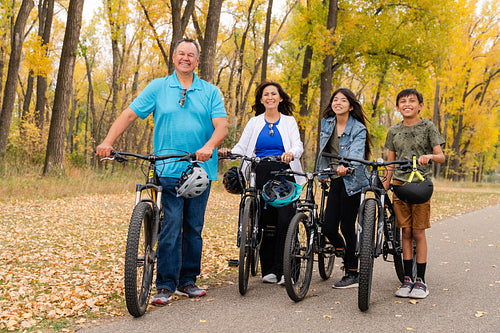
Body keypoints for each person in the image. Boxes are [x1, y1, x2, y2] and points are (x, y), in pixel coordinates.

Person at [96, 38, 228, 306]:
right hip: (167, 167)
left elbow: (221, 127)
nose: (186, 58)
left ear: (197, 60)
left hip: (199, 171)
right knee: (170, 226)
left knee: (193, 227)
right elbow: (129, 115)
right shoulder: (159, 87)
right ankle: (165, 285)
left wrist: (208, 147)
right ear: (174, 57)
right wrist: (108, 141)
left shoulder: (210, 91)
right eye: (181, 53)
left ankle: (187, 281)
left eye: (191, 54)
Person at [219, 81, 304, 285]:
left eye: (273, 94)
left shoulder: (289, 121)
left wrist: (291, 154)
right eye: (266, 94)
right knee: (266, 222)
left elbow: (297, 144)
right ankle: (270, 269)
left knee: (285, 219)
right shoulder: (255, 122)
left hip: (284, 171)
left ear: (280, 98)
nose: (269, 97)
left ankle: (288, 271)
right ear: (261, 99)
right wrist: (229, 152)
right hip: (259, 171)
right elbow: (242, 147)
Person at [383, 88, 445, 299]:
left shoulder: (428, 127)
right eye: (403, 101)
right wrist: (384, 190)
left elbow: (441, 157)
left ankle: (421, 281)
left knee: (418, 232)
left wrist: (429, 156)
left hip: (420, 185)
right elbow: (390, 164)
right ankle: (407, 279)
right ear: (398, 107)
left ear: (420, 105)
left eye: (412, 101)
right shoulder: (393, 130)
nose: (407, 104)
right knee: (405, 232)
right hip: (399, 185)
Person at [316, 88, 371, 289]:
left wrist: (346, 167)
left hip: (353, 180)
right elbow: (323, 151)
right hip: (335, 177)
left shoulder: (358, 129)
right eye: (335, 99)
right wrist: (322, 173)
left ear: (351, 105)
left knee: (347, 225)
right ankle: (343, 250)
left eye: (343, 100)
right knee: (329, 226)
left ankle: (352, 272)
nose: (338, 103)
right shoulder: (327, 123)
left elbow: (356, 153)